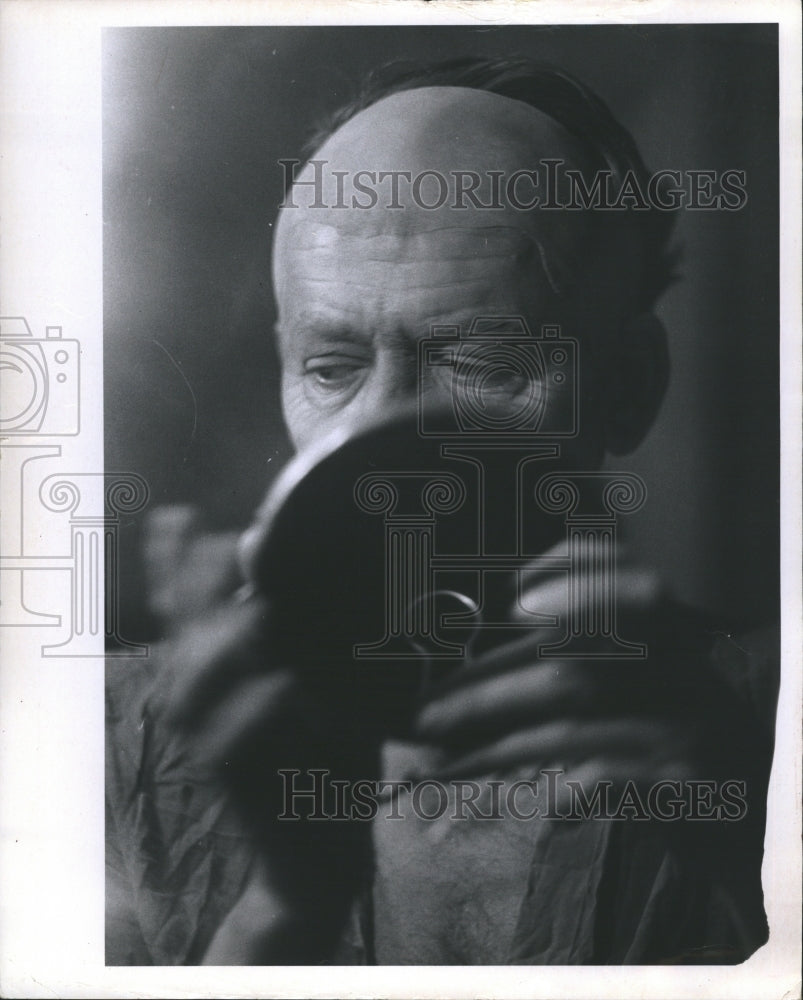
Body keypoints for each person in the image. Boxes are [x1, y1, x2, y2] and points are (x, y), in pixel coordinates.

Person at [105, 57, 778, 966]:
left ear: (627, 386)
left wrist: (748, 854)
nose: (379, 436)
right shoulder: (106, 751)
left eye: (477, 360)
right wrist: (288, 904)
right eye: (333, 366)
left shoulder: (766, 735)